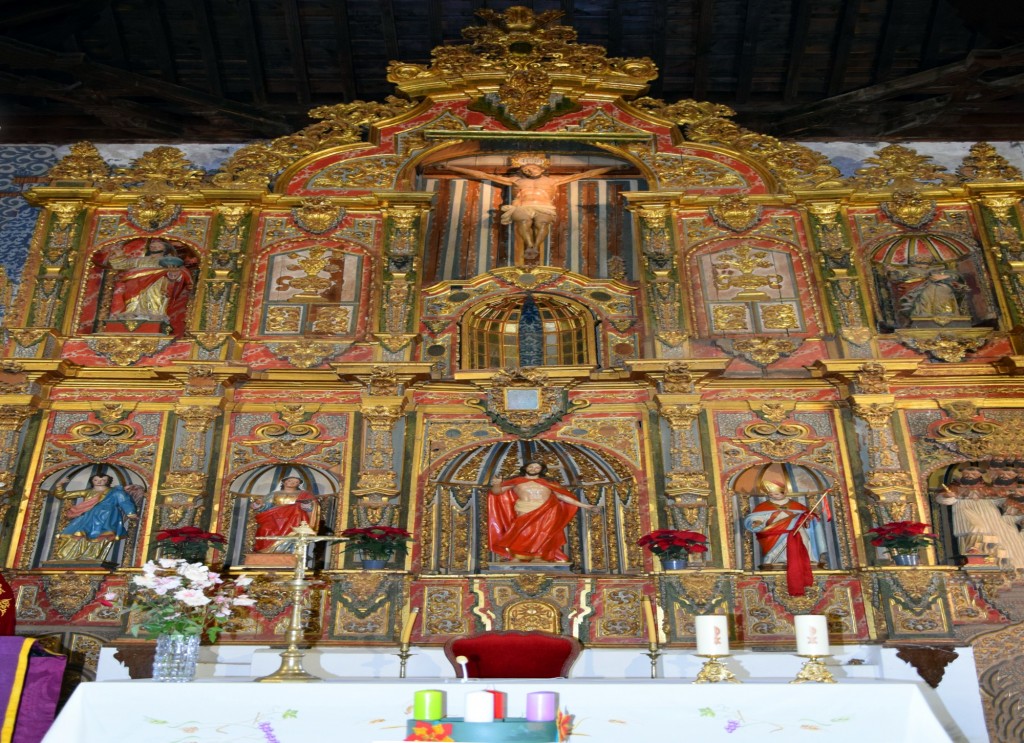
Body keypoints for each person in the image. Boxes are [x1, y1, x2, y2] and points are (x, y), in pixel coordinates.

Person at [445, 155, 619, 264]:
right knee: (522, 221)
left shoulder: (552, 181)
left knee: (542, 223)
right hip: (522, 205)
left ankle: (535, 245)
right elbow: (485, 175)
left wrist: (612, 167)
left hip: (544, 206)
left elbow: (582, 175)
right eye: (526, 169)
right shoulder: (516, 181)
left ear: (541, 169)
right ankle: (530, 245)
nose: (529, 170)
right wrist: (451, 167)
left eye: (533, 168)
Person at [488, 461, 599, 562]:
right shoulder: (516, 482)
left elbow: (562, 496)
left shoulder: (549, 483)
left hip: (547, 512)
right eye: (531, 466)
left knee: (544, 535)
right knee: (522, 534)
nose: (533, 469)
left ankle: (540, 557)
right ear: (525, 468)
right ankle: (517, 557)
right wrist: (497, 484)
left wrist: (586, 505)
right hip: (524, 509)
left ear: (541, 470)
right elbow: (497, 492)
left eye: (537, 467)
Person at [743, 482, 828, 596]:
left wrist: (809, 518)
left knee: (805, 539)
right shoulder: (763, 507)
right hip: (775, 533)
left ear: (785, 492)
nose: (773, 496)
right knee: (779, 546)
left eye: (776, 494)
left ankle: (808, 559)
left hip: (794, 530)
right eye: (771, 494)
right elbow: (756, 519)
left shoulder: (796, 506)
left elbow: (806, 518)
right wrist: (757, 522)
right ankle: (773, 560)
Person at [935, 468, 1024, 568]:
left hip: (989, 513)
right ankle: (975, 552)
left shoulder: (986, 488)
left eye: (973, 474)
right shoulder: (954, 487)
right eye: (967, 473)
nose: (970, 475)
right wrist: (948, 495)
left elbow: (999, 500)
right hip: (965, 509)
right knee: (977, 527)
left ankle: (1004, 564)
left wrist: (1011, 502)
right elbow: (942, 499)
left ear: (979, 475)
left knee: (1005, 533)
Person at [107, 239, 193, 336]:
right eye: (152, 246)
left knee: (155, 300)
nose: (154, 247)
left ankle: (155, 316)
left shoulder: (168, 261)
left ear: (165, 249)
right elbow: (121, 264)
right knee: (133, 301)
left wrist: (172, 272)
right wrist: (118, 254)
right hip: (135, 285)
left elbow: (181, 274)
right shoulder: (140, 260)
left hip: (157, 285)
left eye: (158, 246)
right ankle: (131, 313)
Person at [52, 474, 142, 562]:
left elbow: (124, 500)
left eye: (103, 480)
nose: (99, 482)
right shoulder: (88, 492)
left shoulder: (115, 491)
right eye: (96, 480)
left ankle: (91, 556)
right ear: (92, 481)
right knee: (79, 533)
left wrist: (130, 513)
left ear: (108, 481)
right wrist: (59, 485)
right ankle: (69, 556)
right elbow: (63, 495)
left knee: (101, 535)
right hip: (88, 516)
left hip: (107, 516)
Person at [888, 254, 969, 326]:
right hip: (916, 288)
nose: (922, 266)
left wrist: (945, 277)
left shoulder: (937, 270)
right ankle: (924, 314)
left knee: (943, 288)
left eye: (925, 263)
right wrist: (893, 271)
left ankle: (946, 312)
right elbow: (897, 277)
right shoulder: (909, 271)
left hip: (936, 285)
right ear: (914, 263)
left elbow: (954, 276)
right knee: (928, 291)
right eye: (919, 263)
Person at [251, 476, 322, 553]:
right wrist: (259, 504)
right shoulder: (274, 494)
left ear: (299, 484)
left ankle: (288, 552)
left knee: (294, 532)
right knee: (265, 529)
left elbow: (312, 506)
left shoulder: (304, 494)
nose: (292, 483)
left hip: (294, 518)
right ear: (284, 482)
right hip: (274, 518)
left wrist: (305, 505)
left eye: (296, 482)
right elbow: (266, 506)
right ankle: (265, 552)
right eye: (290, 481)